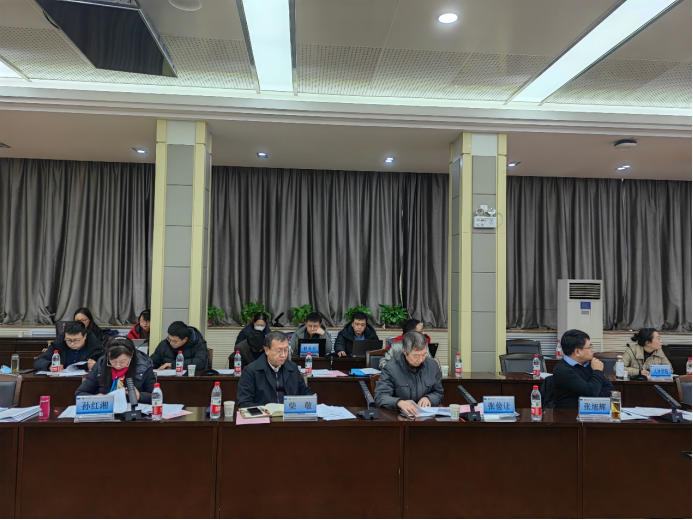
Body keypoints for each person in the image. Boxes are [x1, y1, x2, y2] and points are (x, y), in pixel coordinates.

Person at [237, 331, 313, 408]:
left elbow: (305, 392)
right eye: (279, 351)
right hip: (264, 414)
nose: (283, 355)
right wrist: (268, 409)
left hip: (289, 412)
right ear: (267, 350)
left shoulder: (293, 368)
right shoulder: (251, 371)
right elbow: (244, 402)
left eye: (286, 350)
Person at [374, 331, 444, 415]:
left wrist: (429, 398)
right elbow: (380, 397)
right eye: (416, 356)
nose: (421, 359)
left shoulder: (432, 365)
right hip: (399, 417)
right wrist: (399, 403)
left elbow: (439, 393)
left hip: (425, 417)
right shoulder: (391, 368)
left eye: (424, 354)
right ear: (404, 351)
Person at [75, 337, 156, 404]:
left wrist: (140, 396)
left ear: (131, 355)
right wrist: (95, 398)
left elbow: (155, 396)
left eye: (122, 361)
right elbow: (79, 393)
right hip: (106, 410)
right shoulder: (101, 365)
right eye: (113, 361)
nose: (117, 365)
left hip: (133, 412)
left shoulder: (144, 366)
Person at [552, 329, 615, 409]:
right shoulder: (563, 370)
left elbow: (610, 389)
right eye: (589, 347)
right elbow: (591, 392)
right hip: (570, 414)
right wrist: (598, 371)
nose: (592, 350)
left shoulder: (590, 364)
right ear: (577, 352)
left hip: (595, 411)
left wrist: (595, 397)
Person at [34, 321, 103, 372]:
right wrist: (50, 365)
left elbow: (106, 364)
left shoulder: (95, 347)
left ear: (85, 336)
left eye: (76, 340)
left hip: (86, 381)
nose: (72, 344)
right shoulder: (59, 345)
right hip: (62, 381)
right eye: (69, 340)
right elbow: (38, 361)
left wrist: (97, 365)